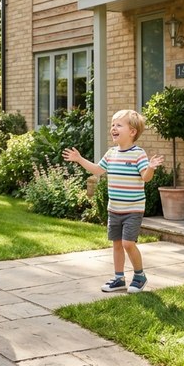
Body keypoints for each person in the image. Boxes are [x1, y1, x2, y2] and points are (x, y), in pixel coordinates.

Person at [63, 109, 164, 294]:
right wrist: (79, 159)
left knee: (127, 244)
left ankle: (140, 276)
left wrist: (150, 167)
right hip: (114, 209)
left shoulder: (138, 154)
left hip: (133, 209)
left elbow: (146, 178)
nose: (113, 128)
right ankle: (119, 278)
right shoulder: (111, 153)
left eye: (118, 125)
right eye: (112, 125)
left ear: (132, 132)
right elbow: (97, 170)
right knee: (117, 244)